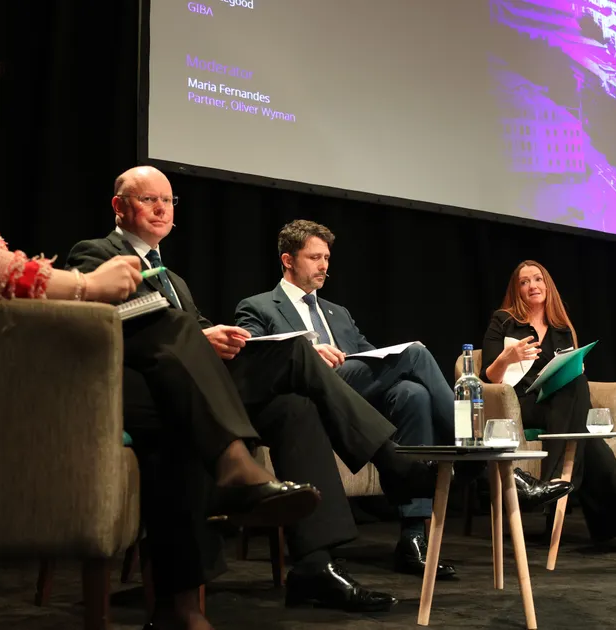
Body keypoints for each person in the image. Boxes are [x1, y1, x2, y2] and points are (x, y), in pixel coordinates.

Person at [0, 19, 320, 630]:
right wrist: (83, 286)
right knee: (166, 334)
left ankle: (182, 598)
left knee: (176, 399)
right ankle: (231, 473)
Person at [65, 167, 449, 612]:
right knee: (298, 355)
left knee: (294, 406)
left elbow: (198, 330)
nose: (160, 209)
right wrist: (199, 337)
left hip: (201, 385)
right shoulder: (94, 254)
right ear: (119, 207)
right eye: (147, 199)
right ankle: (394, 462)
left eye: (167, 201)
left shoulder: (174, 278)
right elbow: (105, 324)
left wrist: (219, 335)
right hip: (149, 392)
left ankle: (315, 566)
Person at [235, 220, 574, 573]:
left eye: (327, 258)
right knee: (415, 354)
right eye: (314, 257)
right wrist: (308, 351)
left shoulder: (338, 313)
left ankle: (412, 539)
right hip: (309, 396)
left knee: (412, 393)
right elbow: (255, 359)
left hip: (354, 396)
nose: (324, 266)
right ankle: (492, 462)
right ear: (288, 260)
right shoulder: (259, 306)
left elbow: (370, 357)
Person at [481, 260, 616, 553]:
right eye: (524, 282)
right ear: (516, 290)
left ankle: (556, 482)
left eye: (538, 279)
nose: (532, 286)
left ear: (547, 286)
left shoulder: (561, 329)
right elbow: (489, 378)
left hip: (557, 406)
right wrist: (508, 357)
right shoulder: (504, 321)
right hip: (519, 405)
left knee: (576, 386)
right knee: (583, 425)